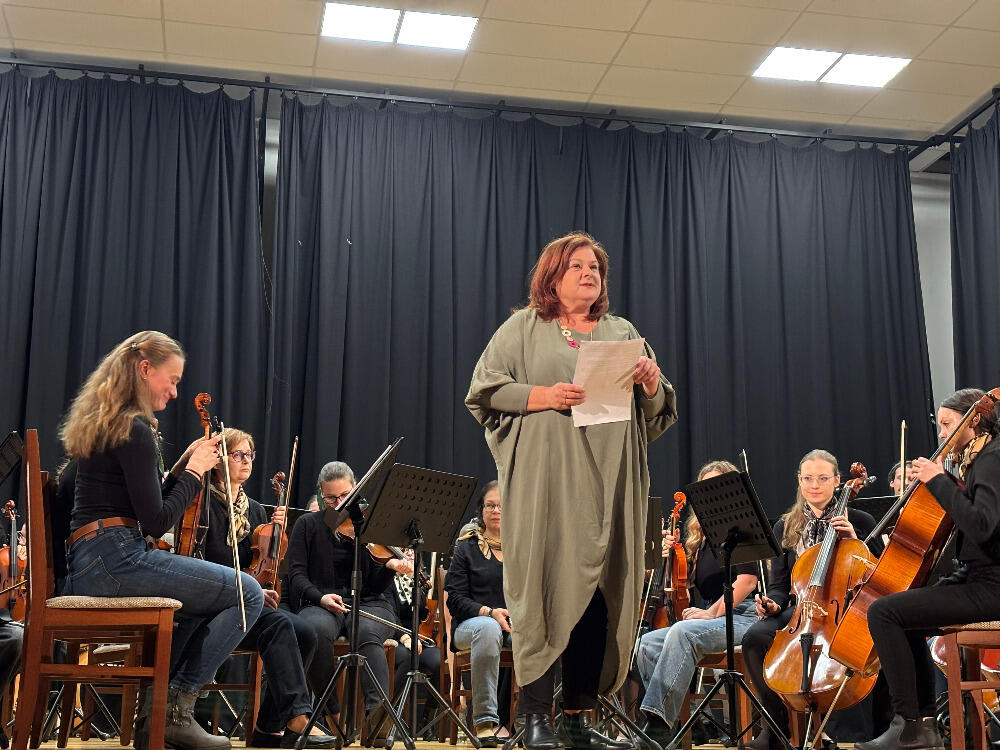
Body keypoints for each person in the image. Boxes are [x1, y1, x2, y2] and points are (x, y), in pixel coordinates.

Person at [466, 232, 678, 750]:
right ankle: (535, 718)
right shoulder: (522, 329)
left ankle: (578, 718)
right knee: (542, 589)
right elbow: (484, 391)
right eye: (577, 266)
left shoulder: (621, 332)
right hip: (547, 484)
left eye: (595, 268)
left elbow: (655, 413)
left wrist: (651, 383)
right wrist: (543, 395)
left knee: (598, 596)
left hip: (609, 485)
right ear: (552, 277)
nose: (589, 274)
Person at [59, 331, 265, 750]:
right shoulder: (134, 430)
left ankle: (155, 719)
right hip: (116, 560)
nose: (174, 392)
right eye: (171, 381)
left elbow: (143, 504)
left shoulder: (110, 422)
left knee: (198, 603)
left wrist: (183, 466)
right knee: (248, 594)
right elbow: (155, 523)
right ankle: (174, 713)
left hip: (93, 559)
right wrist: (195, 473)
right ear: (144, 370)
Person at [861, 388, 1000, 750]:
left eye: (947, 424)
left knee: (883, 612)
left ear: (973, 420)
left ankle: (909, 726)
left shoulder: (992, 459)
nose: (941, 434)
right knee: (901, 614)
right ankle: (920, 726)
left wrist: (938, 480)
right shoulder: (981, 459)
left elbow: (982, 526)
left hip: (992, 586)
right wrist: (943, 484)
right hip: (976, 577)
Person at [193, 427, 335, 749]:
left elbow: (258, 565)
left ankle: (268, 727)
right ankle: (297, 719)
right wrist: (249, 587)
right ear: (219, 460)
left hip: (246, 604)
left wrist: (273, 541)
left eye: (250, 454)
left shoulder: (256, 511)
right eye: (238, 454)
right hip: (213, 603)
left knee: (305, 632)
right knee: (281, 625)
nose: (246, 460)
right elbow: (206, 559)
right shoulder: (202, 503)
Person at [741, 449, 880, 750]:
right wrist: (773, 604)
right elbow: (780, 586)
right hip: (800, 611)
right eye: (807, 478)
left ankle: (840, 731)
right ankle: (776, 727)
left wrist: (855, 540)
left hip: (846, 611)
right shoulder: (785, 526)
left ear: (838, 481)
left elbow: (880, 575)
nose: (814, 485)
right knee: (754, 637)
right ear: (799, 481)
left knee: (844, 647)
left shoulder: (860, 520)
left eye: (822, 478)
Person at [634, 461, 759, 747]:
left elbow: (747, 582)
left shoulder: (741, 527)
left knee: (682, 632)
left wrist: (711, 613)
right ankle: (686, 722)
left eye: (718, 485)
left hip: (744, 615)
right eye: (705, 487)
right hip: (714, 616)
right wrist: (670, 554)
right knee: (647, 644)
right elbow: (684, 588)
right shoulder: (700, 537)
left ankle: (658, 726)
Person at [286, 460, 412, 738]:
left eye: (345, 495)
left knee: (365, 631)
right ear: (321, 494)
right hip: (322, 602)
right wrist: (320, 597)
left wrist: (390, 567)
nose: (339, 503)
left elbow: (376, 586)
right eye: (331, 498)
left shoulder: (371, 526)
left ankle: (378, 717)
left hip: (370, 603)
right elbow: (296, 576)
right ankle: (332, 713)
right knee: (315, 630)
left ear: (356, 488)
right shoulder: (308, 524)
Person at [444, 481, 509, 746]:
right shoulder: (467, 547)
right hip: (470, 626)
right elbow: (455, 600)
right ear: (481, 510)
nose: (496, 511)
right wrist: (489, 612)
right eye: (490, 505)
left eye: (502, 505)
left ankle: (530, 719)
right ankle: (484, 722)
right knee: (489, 628)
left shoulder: (523, 546)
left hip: (512, 625)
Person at [382, 547, 442, 740]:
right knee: (410, 658)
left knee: (439, 662)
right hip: (394, 636)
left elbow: (423, 615)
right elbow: (389, 615)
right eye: (403, 549)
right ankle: (391, 718)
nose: (408, 553)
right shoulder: (386, 579)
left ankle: (427, 719)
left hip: (419, 638)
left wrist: (423, 592)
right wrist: (405, 637)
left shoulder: (419, 581)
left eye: (412, 550)